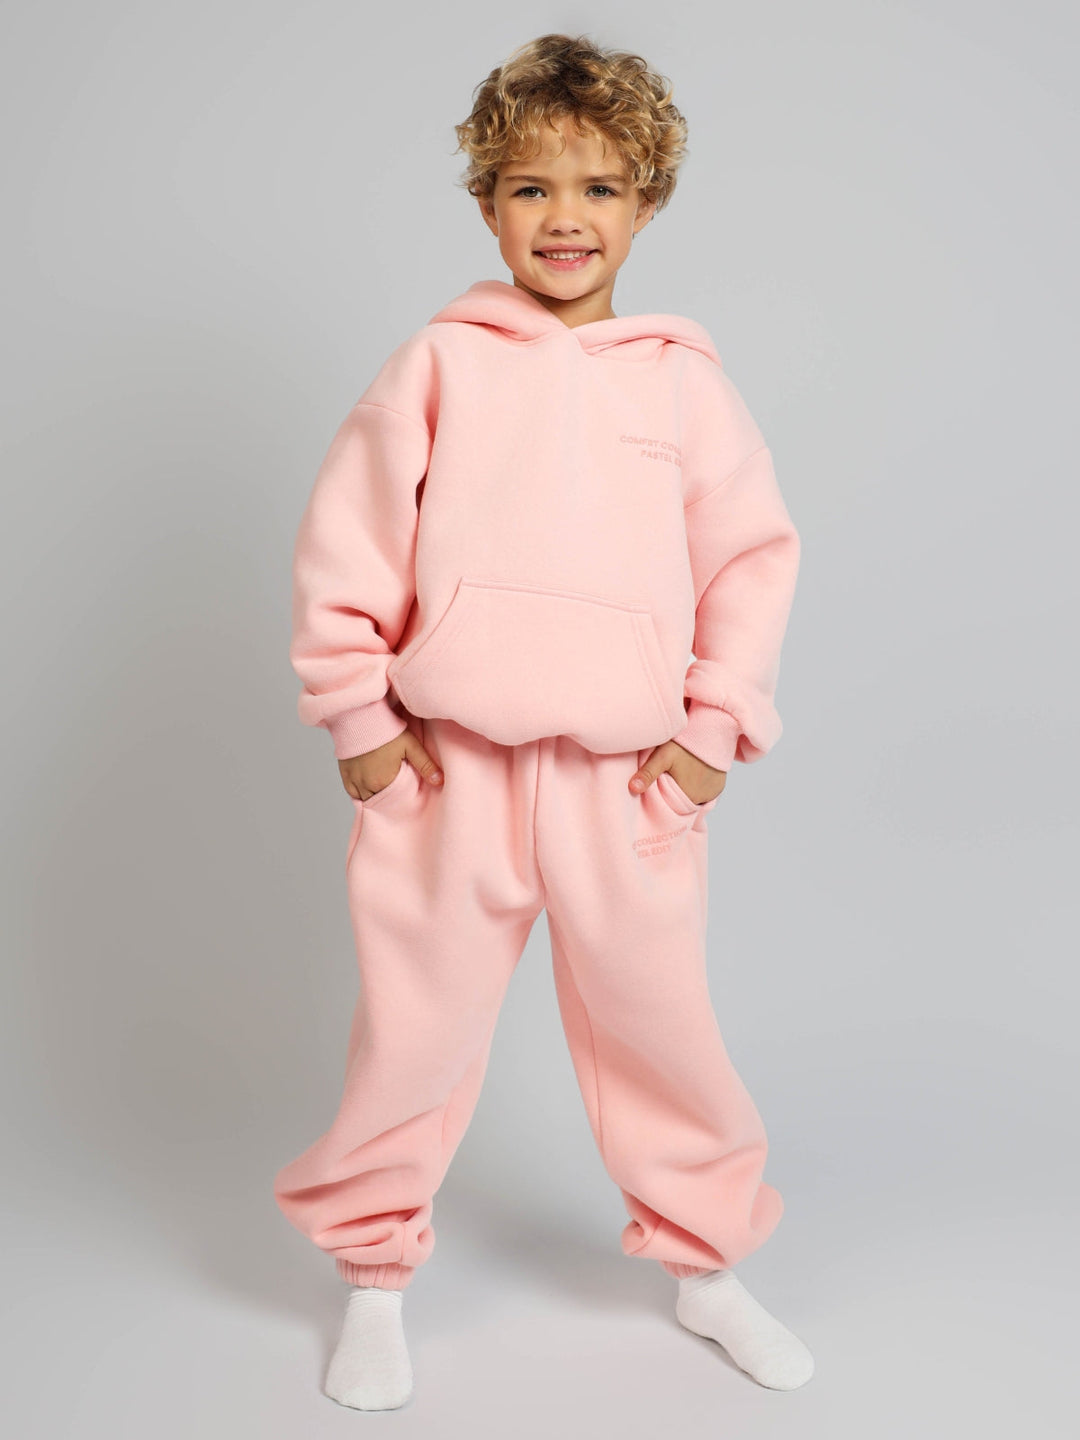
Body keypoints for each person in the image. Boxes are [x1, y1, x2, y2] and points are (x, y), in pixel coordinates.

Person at [273, 31, 814, 1411]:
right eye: (530, 188)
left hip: (626, 786)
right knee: (413, 1035)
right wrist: (360, 720)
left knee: (661, 1033)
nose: (565, 217)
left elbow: (751, 561)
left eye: (599, 187)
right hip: (447, 774)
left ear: (648, 203)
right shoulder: (438, 366)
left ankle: (706, 1266)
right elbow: (347, 541)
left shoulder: (683, 383)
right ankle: (374, 1278)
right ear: (486, 204)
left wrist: (711, 733)